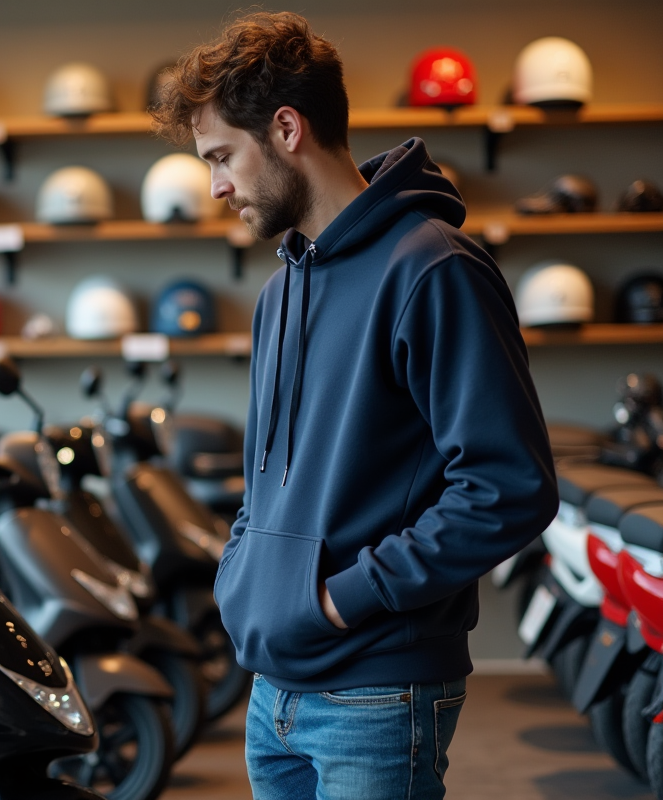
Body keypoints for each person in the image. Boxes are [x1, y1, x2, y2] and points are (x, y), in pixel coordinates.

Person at [152, 11, 557, 800]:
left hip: (376, 693)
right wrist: (246, 581)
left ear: (287, 128)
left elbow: (508, 488)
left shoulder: (434, 270)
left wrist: (338, 600)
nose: (216, 187)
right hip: (273, 692)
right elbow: (264, 483)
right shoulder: (279, 291)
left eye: (222, 157)